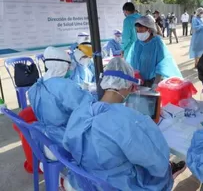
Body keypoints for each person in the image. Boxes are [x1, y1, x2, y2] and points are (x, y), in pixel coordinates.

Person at [63, 57, 186, 191]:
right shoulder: (128, 120)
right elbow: (156, 161)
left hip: (85, 179)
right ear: (128, 85)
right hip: (115, 185)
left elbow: (68, 143)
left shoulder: (81, 111)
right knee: (162, 173)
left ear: (104, 81)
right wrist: (166, 167)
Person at [28, 47, 94, 147]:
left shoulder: (35, 86)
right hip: (63, 138)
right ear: (61, 65)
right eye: (68, 66)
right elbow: (86, 106)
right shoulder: (64, 85)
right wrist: (92, 93)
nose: (70, 69)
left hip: (42, 138)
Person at [128, 15, 182, 88]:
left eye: (141, 31)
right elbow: (130, 61)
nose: (139, 33)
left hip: (152, 81)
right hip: (137, 81)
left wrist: (156, 83)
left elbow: (162, 64)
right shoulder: (137, 43)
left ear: (149, 30)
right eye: (137, 31)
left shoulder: (157, 43)